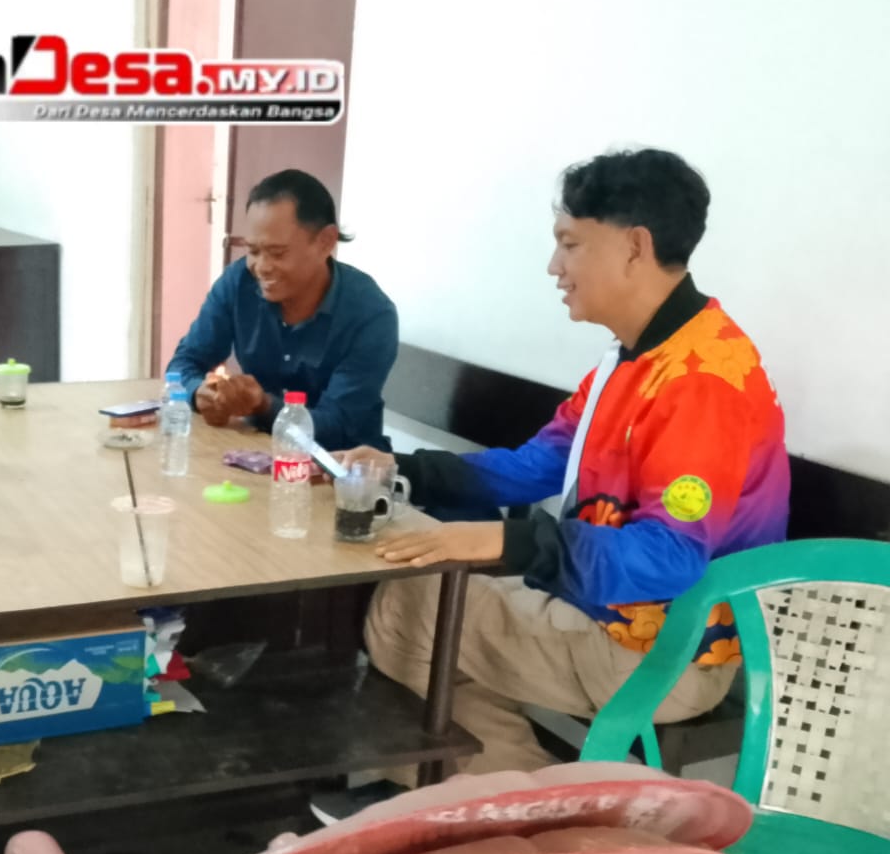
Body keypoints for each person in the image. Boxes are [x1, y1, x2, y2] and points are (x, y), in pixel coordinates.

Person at [321, 148, 789, 810]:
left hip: (664, 650)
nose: (554, 266)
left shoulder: (701, 382)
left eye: (570, 244)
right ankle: (504, 802)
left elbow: (670, 557)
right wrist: (404, 469)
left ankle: (530, 815)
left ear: (634, 247)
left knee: (411, 609)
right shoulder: (639, 358)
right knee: (431, 593)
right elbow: (537, 463)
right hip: (608, 613)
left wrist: (508, 543)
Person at [165, 168, 398, 450]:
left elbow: (340, 426)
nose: (261, 267)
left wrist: (263, 405)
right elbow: (184, 363)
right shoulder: (238, 283)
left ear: (325, 242)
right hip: (258, 452)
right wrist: (199, 394)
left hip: (339, 464)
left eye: (277, 253)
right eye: (253, 251)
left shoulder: (370, 315)